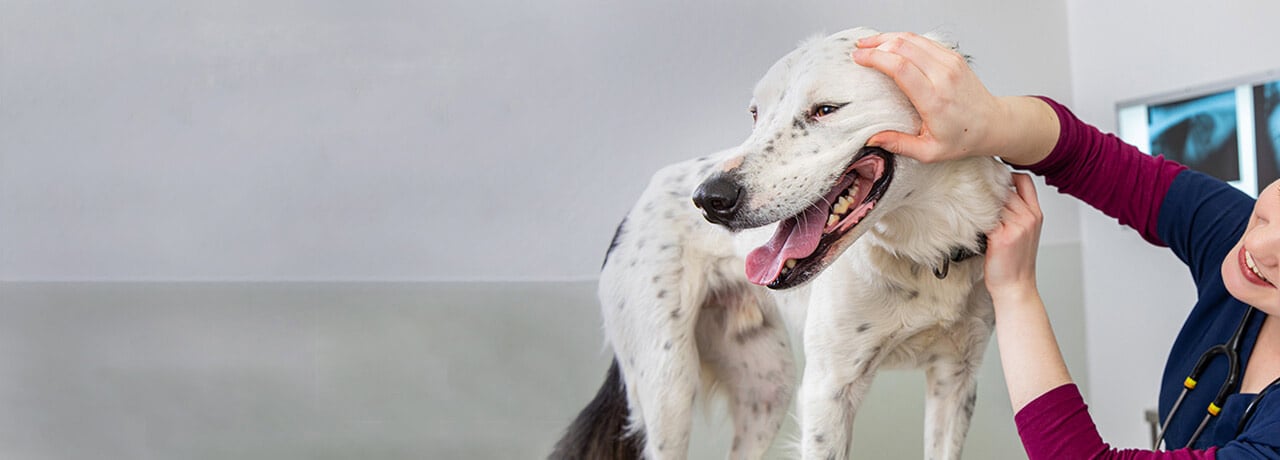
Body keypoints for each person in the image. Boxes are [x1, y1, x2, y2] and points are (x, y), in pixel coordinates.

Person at [851, 32, 1280, 458]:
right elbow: (1085, 156)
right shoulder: (1235, 236)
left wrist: (1015, 291)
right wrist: (989, 120)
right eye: (1271, 213)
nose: (1257, 245)